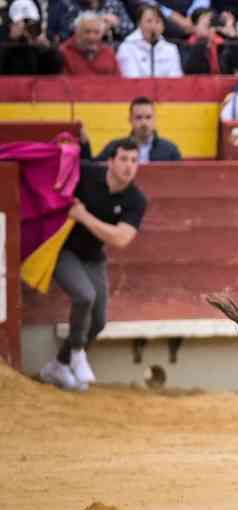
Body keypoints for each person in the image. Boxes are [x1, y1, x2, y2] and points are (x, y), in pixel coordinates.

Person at [38, 139, 146, 392]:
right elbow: (59, 165)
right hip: (62, 250)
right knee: (85, 295)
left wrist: (83, 216)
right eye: (123, 159)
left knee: (98, 321)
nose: (129, 166)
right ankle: (77, 353)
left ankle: (58, 365)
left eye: (134, 161)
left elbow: (120, 239)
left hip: (92, 256)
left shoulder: (136, 199)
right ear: (110, 161)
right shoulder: (87, 173)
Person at [95, 98, 181, 162]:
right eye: (138, 118)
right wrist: (85, 145)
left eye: (148, 117)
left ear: (155, 120)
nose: (144, 123)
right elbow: (92, 169)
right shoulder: (114, 147)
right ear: (130, 120)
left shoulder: (170, 150)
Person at [0, 0, 64, 75]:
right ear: (11, 24)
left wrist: (47, 49)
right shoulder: (4, 42)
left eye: (30, 22)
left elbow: (55, 70)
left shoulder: (39, 43)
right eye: (24, 21)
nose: (27, 27)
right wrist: (12, 41)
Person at [117, 2, 183, 76]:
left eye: (157, 21)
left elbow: (176, 78)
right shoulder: (127, 47)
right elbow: (131, 78)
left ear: (163, 26)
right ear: (139, 24)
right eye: (149, 21)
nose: (153, 26)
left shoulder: (171, 49)